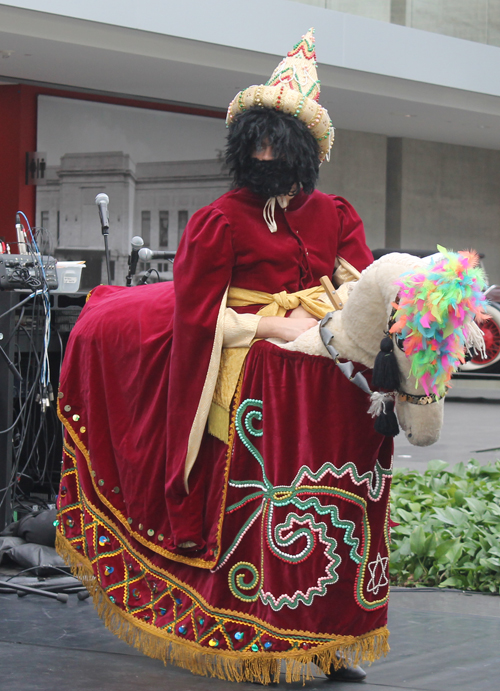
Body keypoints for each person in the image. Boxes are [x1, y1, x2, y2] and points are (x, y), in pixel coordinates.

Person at [56, 29, 392, 685]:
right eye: (256, 140)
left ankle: (332, 641)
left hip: (329, 375)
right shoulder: (220, 219)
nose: (265, 151)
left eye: (277, 140)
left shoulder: (336, 213)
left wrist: (338, 319)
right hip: (253, 370)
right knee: (265, 498)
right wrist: (260, 328)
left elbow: (364, 284)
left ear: (300, 150)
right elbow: (196, 315)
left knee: (350, 498)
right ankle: (250, 631)